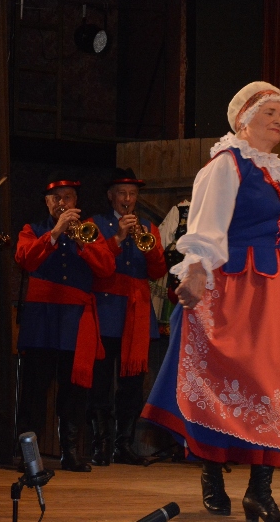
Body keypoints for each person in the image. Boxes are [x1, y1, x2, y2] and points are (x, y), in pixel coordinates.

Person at [142, 81, 280, 521]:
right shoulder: (226, 164)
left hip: (276, 290)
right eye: (269, 112)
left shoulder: (276, 173)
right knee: (223, 380)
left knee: (274, 387)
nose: (278, 121)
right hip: (236, 288)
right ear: (243, 119)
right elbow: (206, 224)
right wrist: (196, 271)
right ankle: (211, 474)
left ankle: (259, 492)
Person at [15, 171, 115, 472]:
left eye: (68, 198)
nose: (62, 203)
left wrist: (83, 244)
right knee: (34, 392)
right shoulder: (32, 230)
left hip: (74, 322)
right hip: (41, 322)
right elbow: (25, 259)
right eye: (56, 198)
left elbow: (107, 268)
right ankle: (29, 457)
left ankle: (69, 452)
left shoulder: (90, 232)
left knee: (74, 392)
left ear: (76, 202)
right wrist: (55, 232)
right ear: (47, 203)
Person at [88, 168, 167, 466]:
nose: (127, 199)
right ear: (111, 196)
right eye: (122, 193)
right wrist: (119, 237)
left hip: (137, 312)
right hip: (106, 310)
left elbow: (158, 271)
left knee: (132, 385)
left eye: (132, 194)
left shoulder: (148, 227)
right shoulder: (95, 224)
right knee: (100, 381)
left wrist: (149, 246)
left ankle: (123, 444)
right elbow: (97, 265)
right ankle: (100, 444)